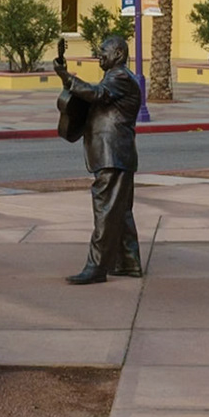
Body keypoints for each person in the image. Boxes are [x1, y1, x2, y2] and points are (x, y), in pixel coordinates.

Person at [54, 32, 143, 284]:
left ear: (118, 54)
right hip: (117, 155)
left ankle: (96, 267)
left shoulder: (120, 77)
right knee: (120, 212)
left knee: (105, 211)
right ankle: (128, 262)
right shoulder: (116, 78)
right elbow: (93, 95)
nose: (98, 55)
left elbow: (96, 94)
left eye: (103, 51)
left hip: (112, 155)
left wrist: (65, 76)